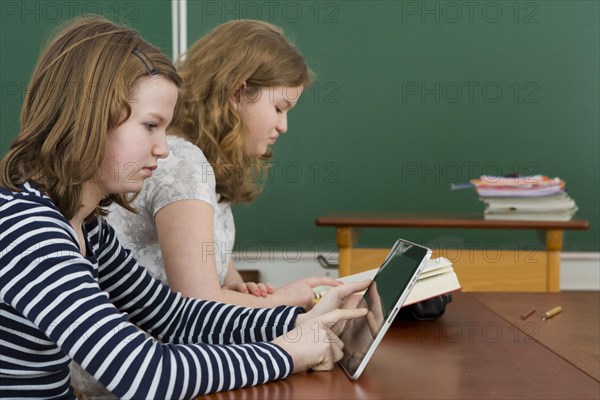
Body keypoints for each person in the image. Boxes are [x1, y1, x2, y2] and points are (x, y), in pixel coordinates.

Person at [0, 16, 369, 399]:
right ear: (89, 118)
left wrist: (301, 320)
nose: (163, 148)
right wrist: (284, 353)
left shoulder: (84, 227)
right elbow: (145, 374)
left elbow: (175, 315)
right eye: (150, 126)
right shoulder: (27, 227)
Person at [107, 19, 338, 310]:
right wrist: (284, 300)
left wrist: (238, 289)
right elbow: (199, 305)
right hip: (144, 351)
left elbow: (218, 285)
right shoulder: (183, 165)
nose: (283, 126)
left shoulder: (206, 170)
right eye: (279, 108)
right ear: (237, 94)